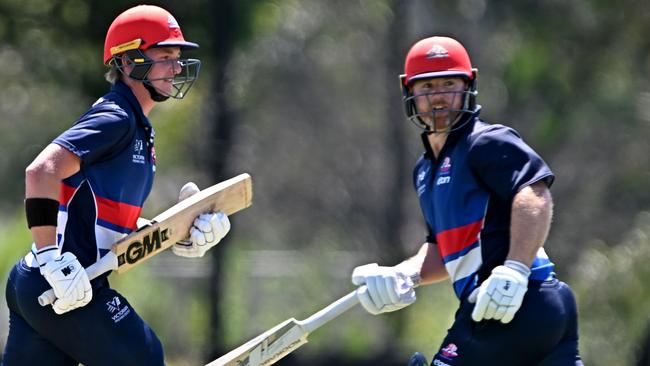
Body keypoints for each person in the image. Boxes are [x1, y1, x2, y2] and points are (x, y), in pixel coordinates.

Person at [2, 5, 230, 365]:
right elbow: (41, 172)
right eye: (165, 56)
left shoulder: (136, 125)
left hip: (39, 284)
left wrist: (177, 232)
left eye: (177, 57)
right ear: (127, 62)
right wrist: (50, 259)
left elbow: (104, 224)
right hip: (61, 287)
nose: (176, 67)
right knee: (145, 356)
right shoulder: (117, 117)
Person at [350, 36, 583, 365]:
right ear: (409, 92)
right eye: (427, 87)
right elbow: (442, 251)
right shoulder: (424, 170)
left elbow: (535, 191)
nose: (439, 96)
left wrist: (514, 270)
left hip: (515, 301)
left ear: (468, 85)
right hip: (531, 310)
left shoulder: (486, 141)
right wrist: (404, 275)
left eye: (449, 83)